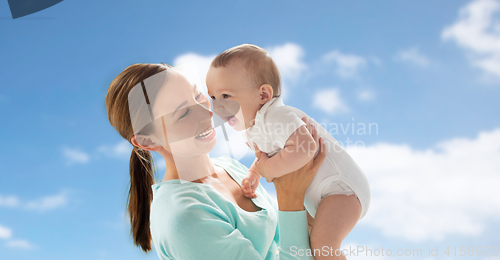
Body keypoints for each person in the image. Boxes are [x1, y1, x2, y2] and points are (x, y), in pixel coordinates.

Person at [104, 62, 326, 259]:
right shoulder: (185, 219)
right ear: (147, 140)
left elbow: (282, 244)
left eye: (198, 95)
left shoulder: (230, 168)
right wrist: (290, 197)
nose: (207, 113)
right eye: (183, 113)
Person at [206, 44, 371, 259]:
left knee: (323, 245)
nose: (217, 107)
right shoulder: (254, 128)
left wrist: (267, 168)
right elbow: (269, 155)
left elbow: (304, 148)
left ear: (264, 94)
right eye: (213, 97)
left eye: (226, 95)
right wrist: (255, 173)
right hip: (320, 195)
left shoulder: (277, 116)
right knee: (306, 242)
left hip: (342, 190)